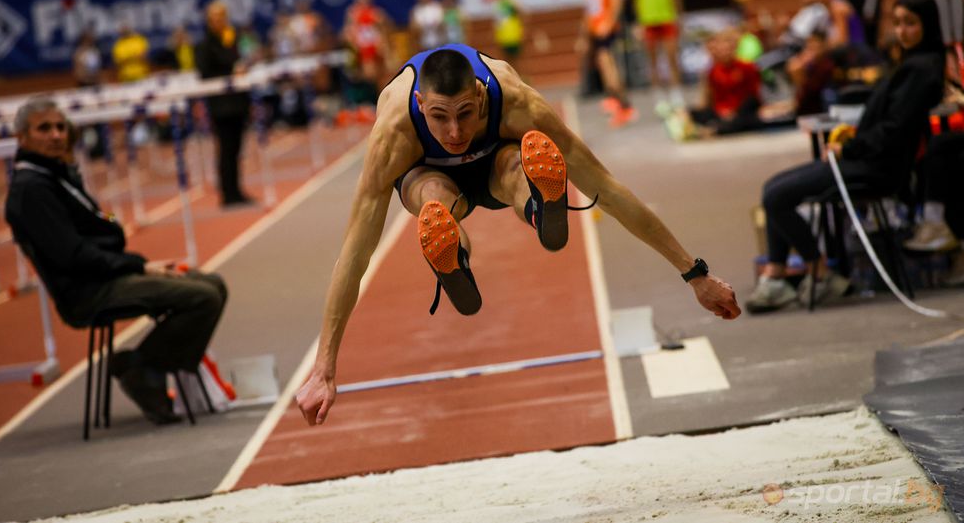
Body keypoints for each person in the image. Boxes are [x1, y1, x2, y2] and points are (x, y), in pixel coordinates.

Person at [294, 43, 741, 426]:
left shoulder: (517, 101)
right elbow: (355, 251)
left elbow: (610, 191)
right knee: (433, 198)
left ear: (481, 94)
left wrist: (694, 272)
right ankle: (457, 258)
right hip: (427, 174)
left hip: (498, 160)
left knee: (514, 166)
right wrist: (324, 367)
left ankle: (540, 204)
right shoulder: (394, 132)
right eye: (439, 117)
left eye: (465, 114)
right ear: (418, 102)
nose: (454, 131)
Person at [5, 98, 228, 425]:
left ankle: (143, 366)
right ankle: (140, 368)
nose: (55, 135)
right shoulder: (31, 190)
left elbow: (98, 220)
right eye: (44, 128)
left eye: (60, 127)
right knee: (202, 297)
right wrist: (138, 266)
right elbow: (73, 255)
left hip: (108, 272)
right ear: (22, 137)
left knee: (213, 283)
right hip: (88, 292)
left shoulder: (58, 174)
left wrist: (122, 241)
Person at [746, 0, 946, 313]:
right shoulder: (908, 62)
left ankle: (819, 272)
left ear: (928, 25)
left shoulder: (923, 69)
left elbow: (893, 131)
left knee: (776, 197)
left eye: (911, 23)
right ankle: (777, 275)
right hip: (863, 157)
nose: (902, 31)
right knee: (773, 187)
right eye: (897, 23)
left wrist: (848, 146)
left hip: (876, 168)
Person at [194, 1, 254, 207]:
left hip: (238, 103)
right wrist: (230, 70)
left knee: (237, 149)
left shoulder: (233, 38)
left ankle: (237, 190)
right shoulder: (204, 45)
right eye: (215, 17)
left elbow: (243, 60)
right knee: (225, 149)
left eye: (222, 16)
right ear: (209, 21)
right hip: (220, 106)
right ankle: (227, 194)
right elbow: (204, 72)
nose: (219, 21)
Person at [582, 0, 637, 128]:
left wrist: (609, 22)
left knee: (610, 70)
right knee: (604, 68)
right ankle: (617, 103)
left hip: (606, 31)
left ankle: (624, 106)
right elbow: (589, 12)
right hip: (596, 32)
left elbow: (617, 0)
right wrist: (586, 36)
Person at [628, 0, 685, 113]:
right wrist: (637, 22)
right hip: (647, 21)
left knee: (672, 58)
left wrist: (679, 16)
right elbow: (635, 0)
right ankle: (659, 98)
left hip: (667, 18)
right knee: (652, 62)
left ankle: (676, 95)